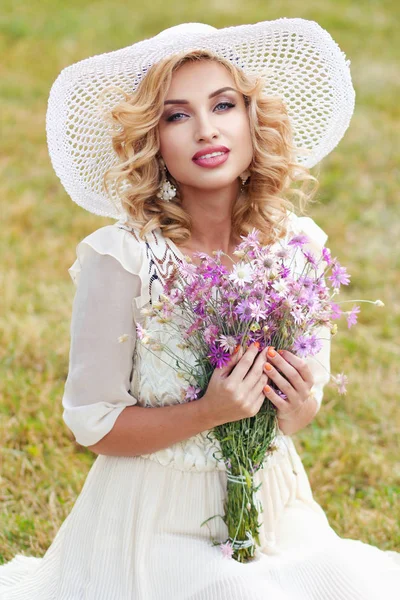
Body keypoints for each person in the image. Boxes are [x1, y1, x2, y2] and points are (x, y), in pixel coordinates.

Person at [1, 18, 399, 600]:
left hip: (274, 508)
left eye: (224, 105)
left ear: (252, 118)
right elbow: (94, 426)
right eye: (177, 115)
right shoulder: (125, 257)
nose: (206, 130)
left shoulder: (298, 246)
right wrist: (209, 411)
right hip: (154, 518)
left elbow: (301, 412)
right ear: (152, 140)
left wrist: (295, 400)